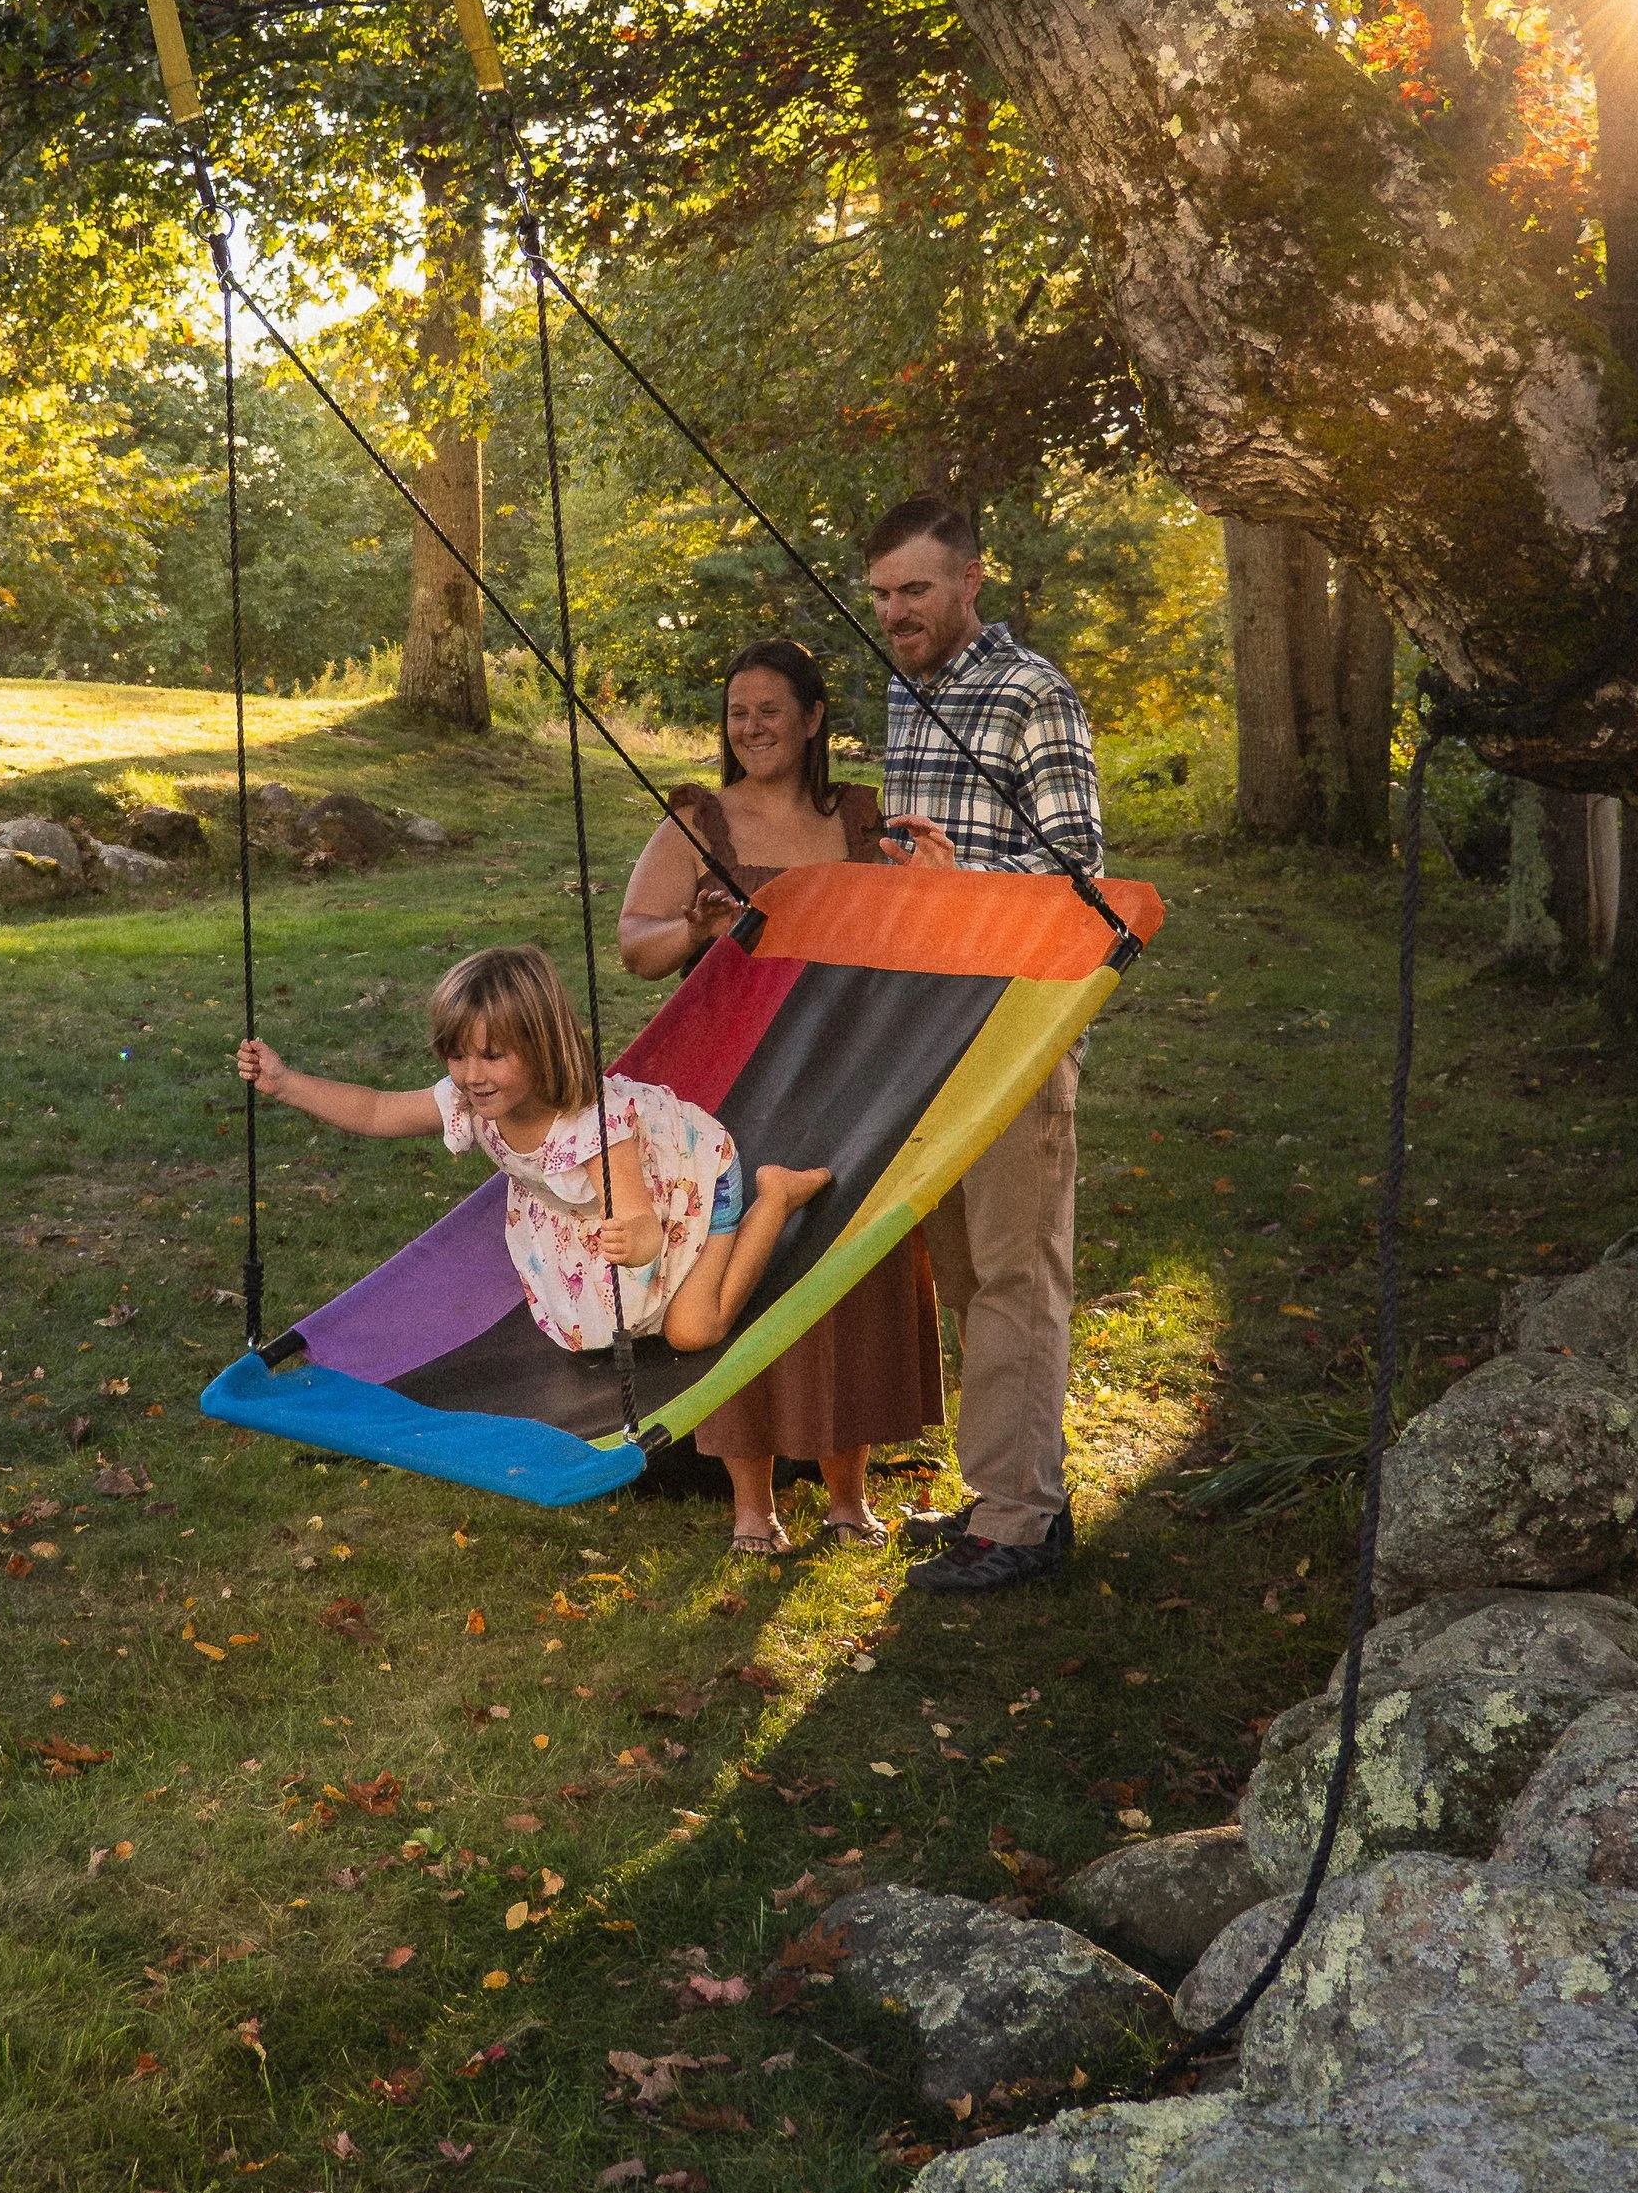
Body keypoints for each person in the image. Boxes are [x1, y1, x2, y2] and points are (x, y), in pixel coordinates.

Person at [619, 637, 944, 1555]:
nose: (752, 727)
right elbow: (635, 947)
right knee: (739, 1271)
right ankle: (752, 1506)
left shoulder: (862, 818)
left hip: (848, 1069)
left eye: (771, 710)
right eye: (738, 713)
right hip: (729, 1081)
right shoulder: (697, 820)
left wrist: (927, 891)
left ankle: (848, 1495)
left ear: (812, 720)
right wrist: (692, 928)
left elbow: (909, 933)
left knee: (852, 1257)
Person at [866, 492, 1104, 1595]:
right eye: (880, 595)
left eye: (915, 590)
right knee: (963, 1270)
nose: (895, 612)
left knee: (1018, 1269)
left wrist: (958, 881)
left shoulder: (1030, 694)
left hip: (1015, 1021)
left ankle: (1021, 1522)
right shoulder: (904, 689)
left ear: (970, 580)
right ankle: (993, 1493)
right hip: (926, 1025)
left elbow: (1083, 883)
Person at [238, 941, 830, 1361]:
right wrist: (287, 1083)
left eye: (493, 1056)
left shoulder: (595, 1127)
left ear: (544, 1049)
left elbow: (642, 1221)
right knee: (593, 1330)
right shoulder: (474, 1098)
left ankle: (774, 1198)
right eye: (457, 1055)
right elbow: (375, 1110)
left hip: (686, 1181)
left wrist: (638, 1241)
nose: (471, 1075)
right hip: (590, 1209)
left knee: (692, 1332)